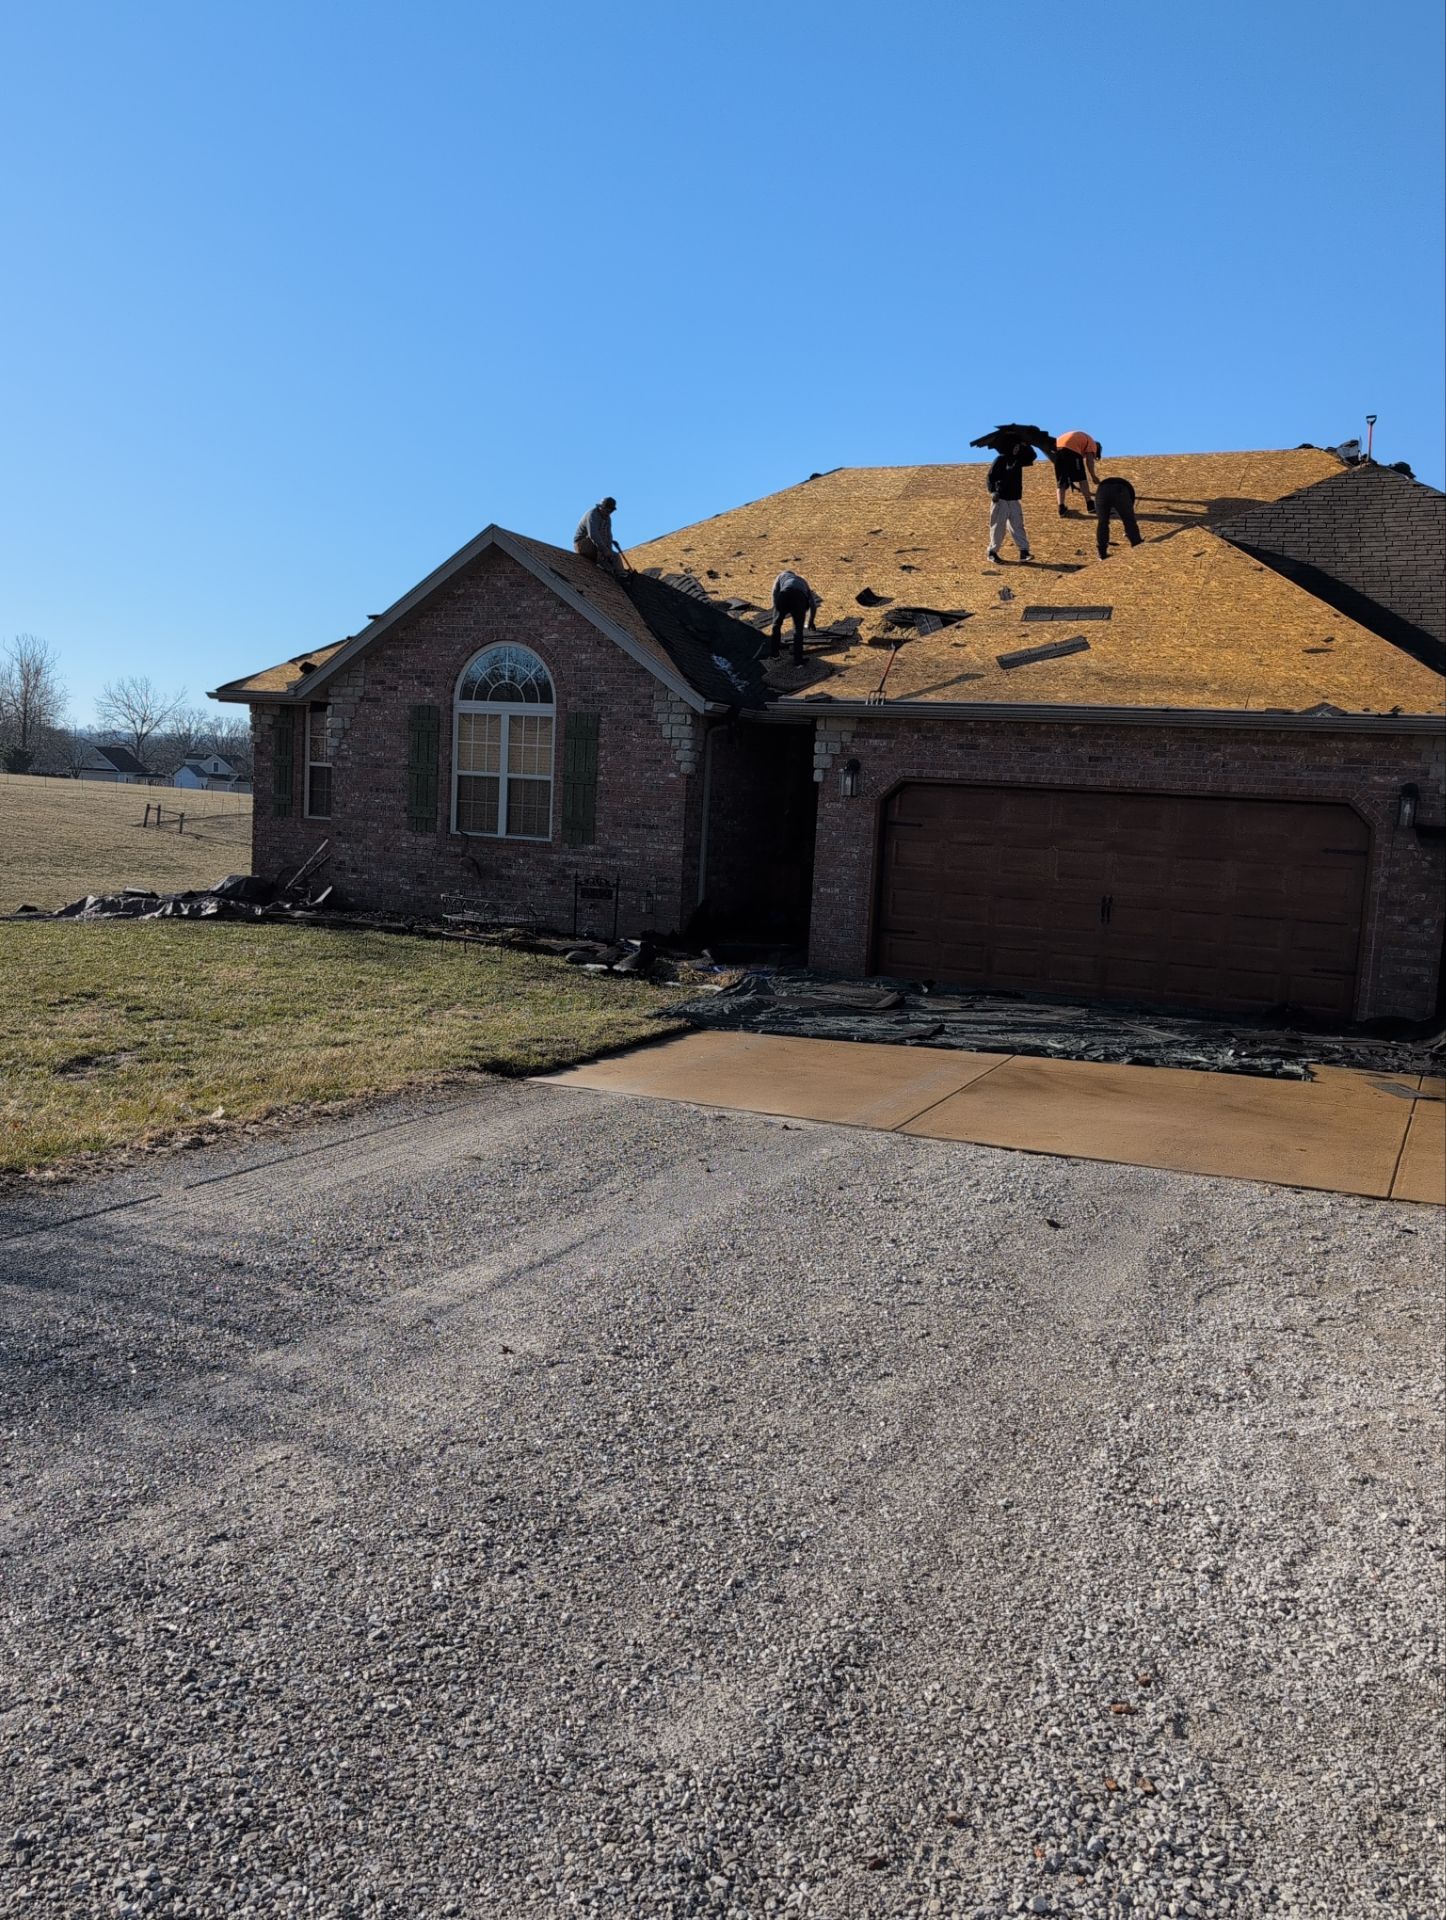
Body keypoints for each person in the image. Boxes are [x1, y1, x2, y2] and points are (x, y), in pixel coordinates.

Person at [986, 442, 1032, 563]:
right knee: (998, 526)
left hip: (1014, 499)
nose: (1017, 449)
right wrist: (993, 492)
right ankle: (992, 552)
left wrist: (1026, 444)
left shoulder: (1018, 460)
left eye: (1018, 447)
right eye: (1015, 446)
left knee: (1018, 526)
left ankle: (1024, 552)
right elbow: (990, 477)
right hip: (1001, 498)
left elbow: (1032, 456)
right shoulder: (1000, 459)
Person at [769, 570, 820, 666]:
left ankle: (774, 654)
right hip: (799, 599)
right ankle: (798, 661)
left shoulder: (780, 576)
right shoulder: (802, 581)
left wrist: (777, 612)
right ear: (794, 574)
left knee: (776, 625)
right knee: (798, 630)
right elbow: (813, 604)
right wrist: (811, 621)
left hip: (784, 595)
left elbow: (774, 594)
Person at [1052, 432, 1102, 515]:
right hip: (1071, 450)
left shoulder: (1081, 439)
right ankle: (1090, 506)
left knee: (1061, 481)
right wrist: (1093, 476)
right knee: (1082, 478)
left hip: (1056, 449)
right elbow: (1089, 461)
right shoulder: (1092, 443)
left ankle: (1061, 508)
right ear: (1096, 449)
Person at [1094, 475, 1143, 559]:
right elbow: (1129, 514)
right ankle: (1137, 544)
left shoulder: (1127, 488)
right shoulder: (1128, 490)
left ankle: (1102, 553)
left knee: (1102, 522)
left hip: (1101, 490)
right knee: (1128, 520)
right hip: (1120, 489)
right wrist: (1129, 532)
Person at [573, 497, 623, 571]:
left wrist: (609, 551)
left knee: (615, 556)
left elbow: (608, 535)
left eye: (610, 512)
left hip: (596, 546)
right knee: (601, 551)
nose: (608, 513)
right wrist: (605, 550)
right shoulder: (592, 515)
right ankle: (604, 566)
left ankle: (621, 575)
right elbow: (593, 535)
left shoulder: (608, 519)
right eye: (606, 511)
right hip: (582, 544)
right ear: (601, 507)